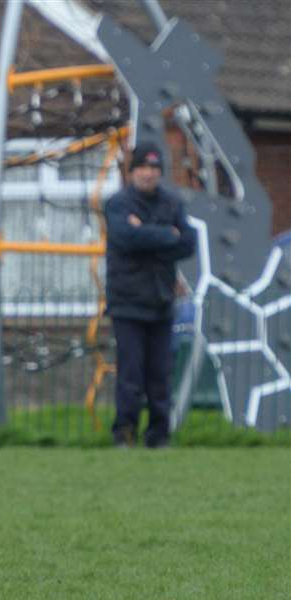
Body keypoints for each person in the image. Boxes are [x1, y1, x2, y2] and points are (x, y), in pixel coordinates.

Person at [104, 141, 197, 449]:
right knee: (130, 375)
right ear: (132, 172)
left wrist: (146, 231)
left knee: (160, 376)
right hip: (127, 302)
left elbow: (188, 242)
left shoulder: (171, 203)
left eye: (155, 168)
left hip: (161, 302)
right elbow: (126, 238)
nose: (149, 173)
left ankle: (158, 436)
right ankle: (124, 434)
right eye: (143, 167)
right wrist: (164, 234)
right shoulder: (118, 203)